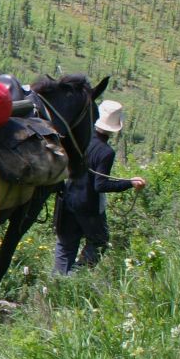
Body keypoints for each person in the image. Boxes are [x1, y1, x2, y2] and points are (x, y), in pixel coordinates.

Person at [53, 99, 147, 274]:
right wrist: (130, 183)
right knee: (99, 242)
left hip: (67, 199)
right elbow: (100, 185)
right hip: (88, 206)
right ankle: (76, 277)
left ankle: (56, 282)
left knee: (65, 244)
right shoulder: (105, 152)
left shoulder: (81, 140)